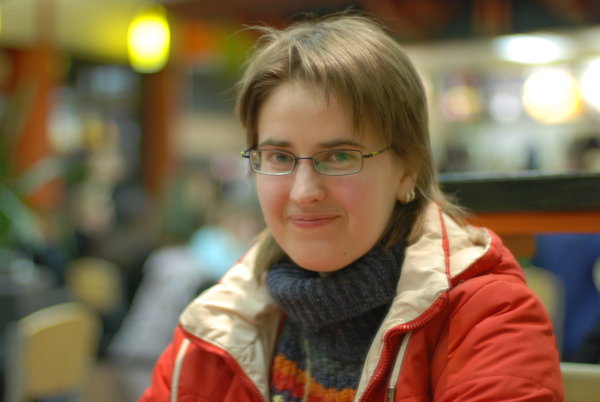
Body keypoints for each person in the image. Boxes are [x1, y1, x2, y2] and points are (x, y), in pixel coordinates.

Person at [140, 14, 563, 401]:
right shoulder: (221, 321)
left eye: (340, 155)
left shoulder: (489, 317)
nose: (304, 192)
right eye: (279, 157)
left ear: (408, 170)